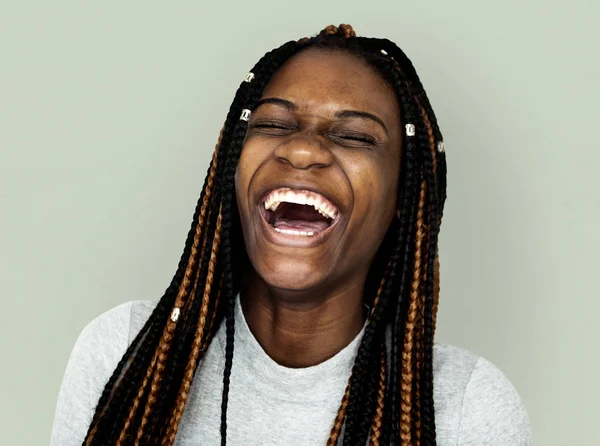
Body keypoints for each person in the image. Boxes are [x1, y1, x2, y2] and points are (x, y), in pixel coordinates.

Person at [50, 24, 533, 446]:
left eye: (355, 136)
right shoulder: (124, 351)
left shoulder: (464, 406)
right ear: (230, 168)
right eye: (274, 124)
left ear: (403, 196)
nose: (302, 150)